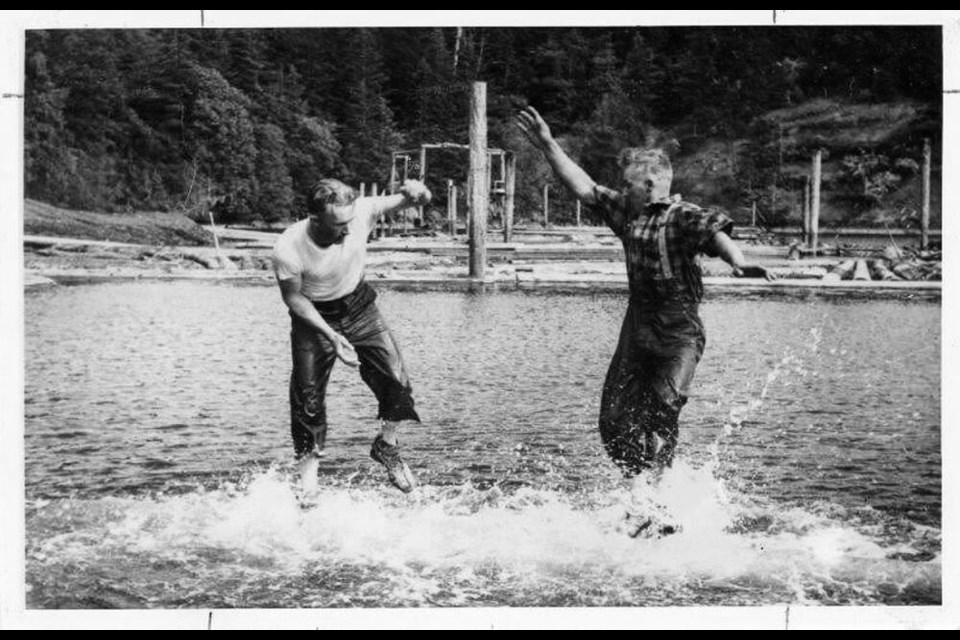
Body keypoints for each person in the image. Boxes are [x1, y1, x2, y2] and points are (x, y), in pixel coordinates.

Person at [517, 106, 774, 485]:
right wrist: (548, 144)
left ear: (651, 184)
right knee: (613, 421)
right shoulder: (628, 212)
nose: (623, 189)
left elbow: (715, 234)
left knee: (662, 408)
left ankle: (663, 489)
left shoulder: (683, 214)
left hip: (678, 331)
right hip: (637, 329)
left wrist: (738, 262)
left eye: (629, 184)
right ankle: (639, 490)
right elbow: (584, 187)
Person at [272, 177, 432, 494]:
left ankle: (387, 446)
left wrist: (419, 192)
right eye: (338, 225)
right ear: (314, 218)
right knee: (307, 400)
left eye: (350, 222)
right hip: (313, 316)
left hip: (359, 307)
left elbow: (416, 198)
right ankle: (308, 487)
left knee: (397, 381)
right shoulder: (288, 248)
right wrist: (331, 336)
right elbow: (294, 299)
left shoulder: (362, 211)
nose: (347, 231)